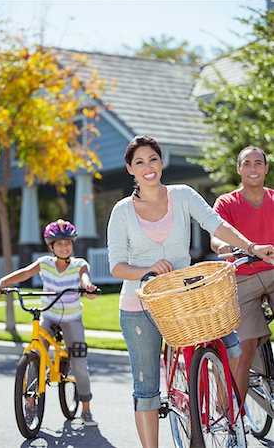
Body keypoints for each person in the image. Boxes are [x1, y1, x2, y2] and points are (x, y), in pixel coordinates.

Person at [107, 135, 274, 448]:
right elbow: (116, 266)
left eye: (152, 159)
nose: (148, 167)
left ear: (162, 161)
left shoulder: (182, 195)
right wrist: (147, 270)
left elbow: (216, 224)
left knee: (232, 343)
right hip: (139, 306)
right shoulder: (122, 210)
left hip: (185, 299)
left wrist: (251, 246)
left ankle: (222, 411)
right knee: (146, 390)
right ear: (131, 168)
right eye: (139, 162)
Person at [0, 218, 98, 427]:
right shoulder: (44, 263)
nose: (64, 247)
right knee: (36, 354)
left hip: (71, 318)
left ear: (72, 244)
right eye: (59, 244)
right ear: (51, 247)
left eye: (67, 243)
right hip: (48, 315)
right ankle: (30, 400)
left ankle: (85, 409)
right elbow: (23, 273)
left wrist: (88, 287)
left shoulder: (79, 265)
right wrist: (2, 283)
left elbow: (85, 279)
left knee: (79, 363)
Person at [210, 146, 274, 406]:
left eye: (258, 163)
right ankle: (229, 414)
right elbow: (215, 233)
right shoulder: (226, 202)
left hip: (272, 271)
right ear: (239, 169)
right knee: (243, 347)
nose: (253, 168)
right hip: (242, 276)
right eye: (247, 163)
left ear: (266, 168)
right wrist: (221, 246)